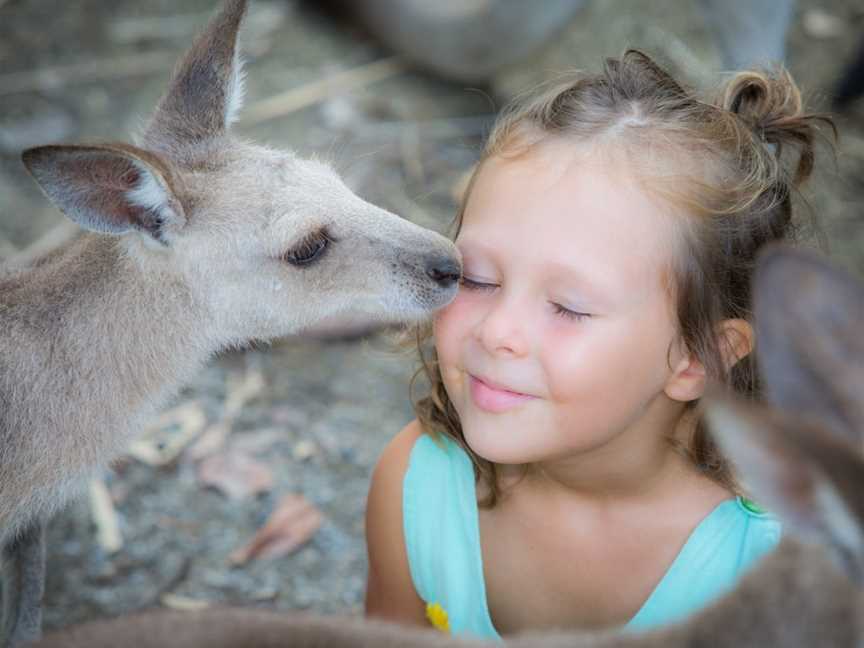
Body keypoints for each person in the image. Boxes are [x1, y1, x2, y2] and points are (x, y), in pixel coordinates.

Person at [364, 50, 833, 639]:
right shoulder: (415, 487)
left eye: (569, 307)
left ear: (699, 356)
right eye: (477, 278)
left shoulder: (776, 568)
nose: (496, 332)